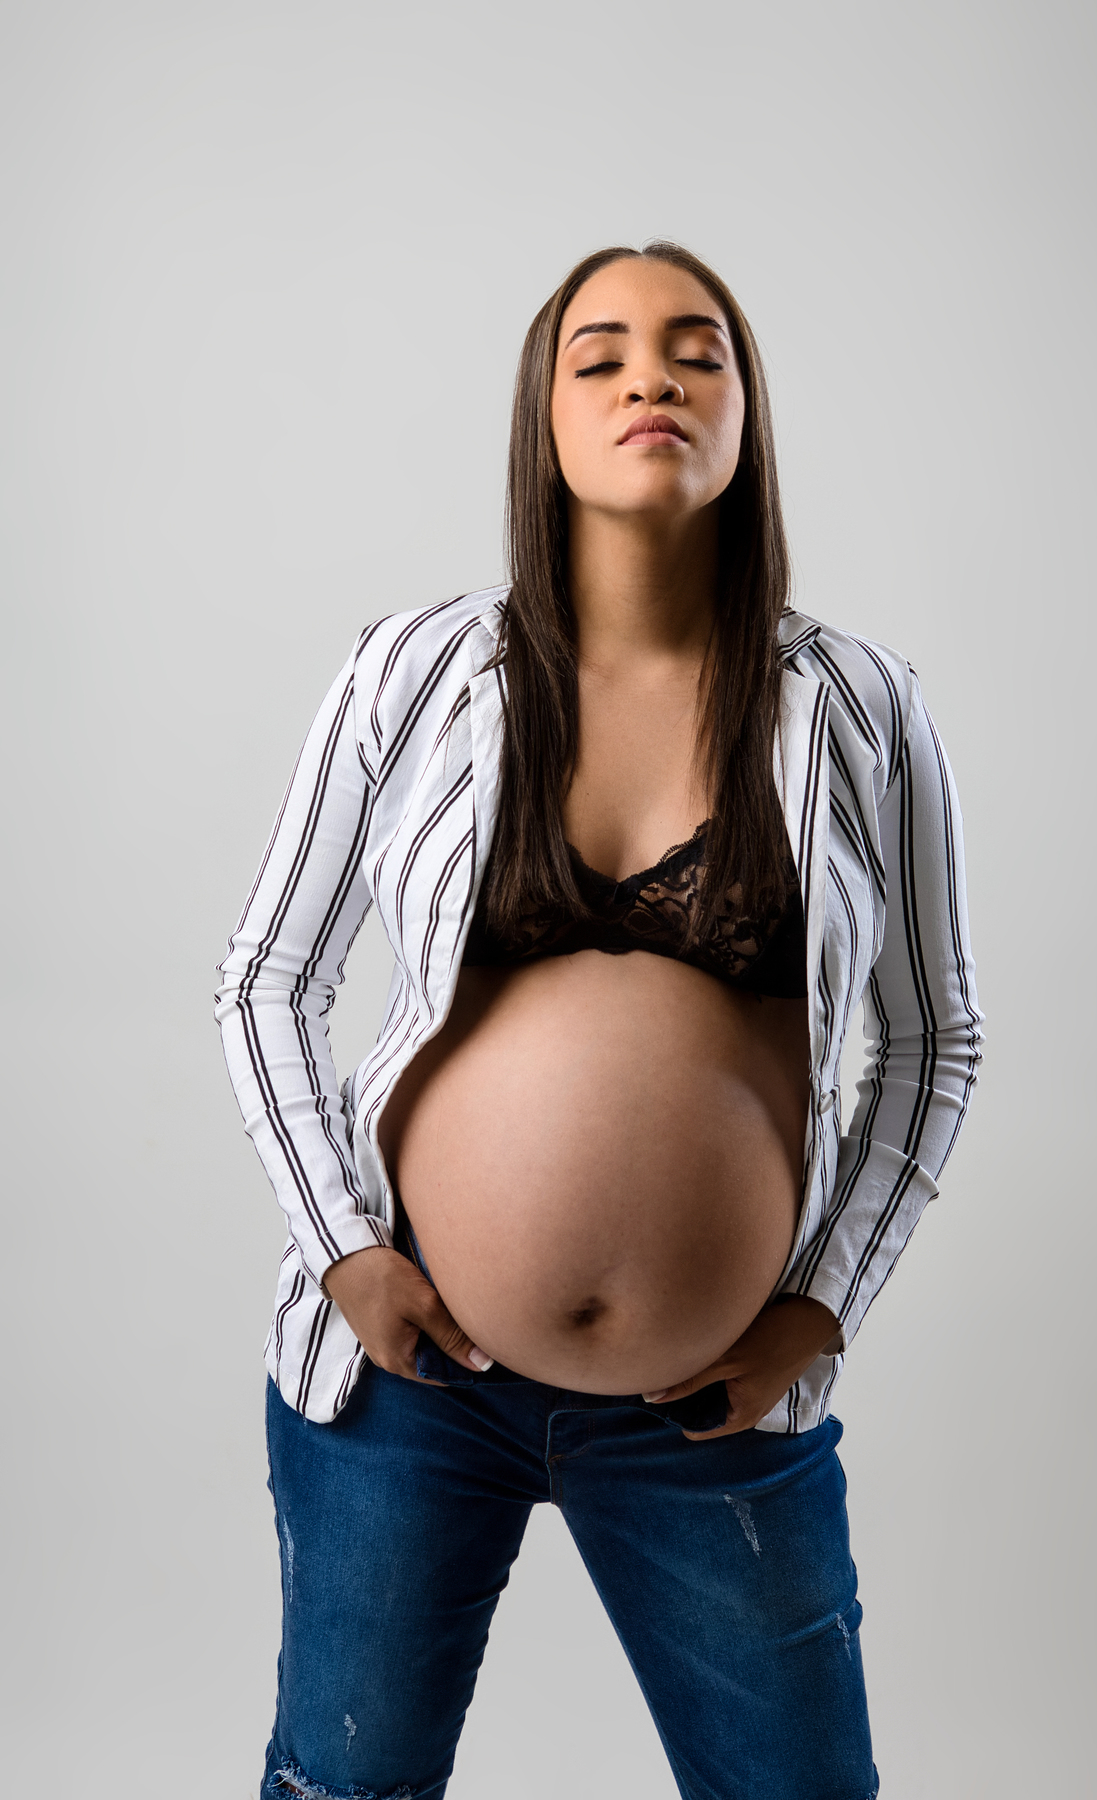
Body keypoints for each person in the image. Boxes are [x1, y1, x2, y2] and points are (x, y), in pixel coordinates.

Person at [216, 241, 983, 1800]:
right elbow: (265, 978)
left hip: (709, 1406)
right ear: (544, 419)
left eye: (699, 351)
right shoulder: (412, 671)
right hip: (409, 1377)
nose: (654, 378)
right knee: (342, 1788)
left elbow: (932, 1040)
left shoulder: (861, 707)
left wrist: (822, 1305)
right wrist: (351, 1253)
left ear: (747, 413)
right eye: (604, 355)